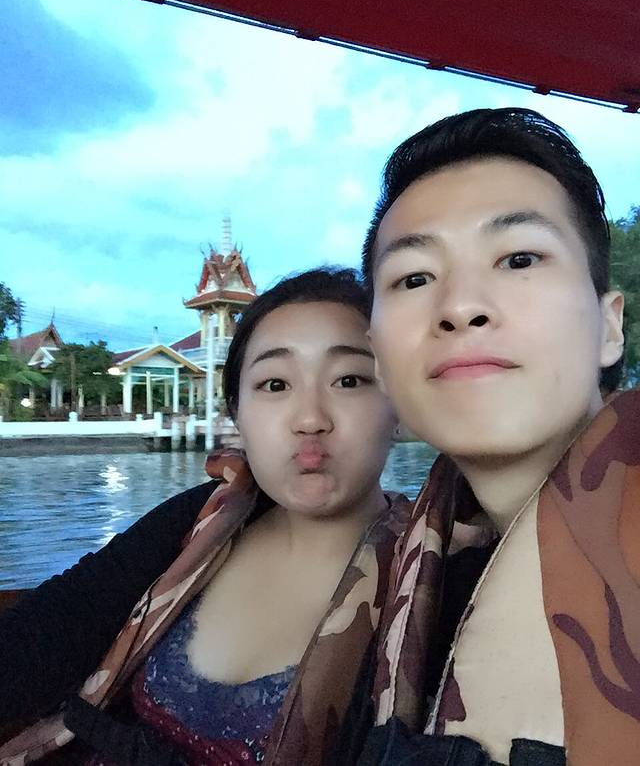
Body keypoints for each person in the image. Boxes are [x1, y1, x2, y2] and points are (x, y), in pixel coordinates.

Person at [0, 268, 411, 766]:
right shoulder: (206, 519)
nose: (310, 419)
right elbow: (48, 631)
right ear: (237, 413)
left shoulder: (431, 581)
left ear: (399, 405)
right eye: (275, 384)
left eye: (349, 380)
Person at [356, 108, 635, 766]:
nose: (460, 306)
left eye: (518, 258)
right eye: (414, 278)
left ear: (609, 327)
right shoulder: (402, 585)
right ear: (377, 359)